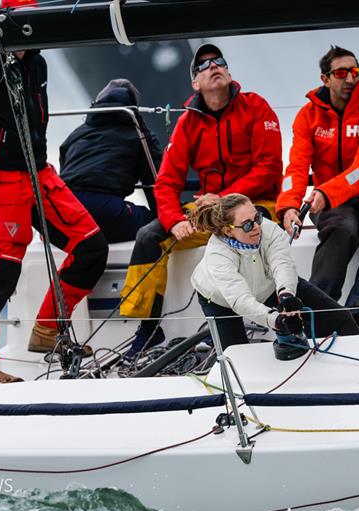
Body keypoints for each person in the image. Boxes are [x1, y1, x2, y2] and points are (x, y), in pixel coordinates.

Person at [0, 15, 108, 382]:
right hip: (0, 179)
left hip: (39, 173)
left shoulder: (37, 64)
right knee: (3, 269)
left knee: (91, 246)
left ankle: (47, 328)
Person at [119, 43, 283, 358]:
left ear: (229, 72)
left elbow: (269, 168)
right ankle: (149, 328)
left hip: (255, 203)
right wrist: (174, 220)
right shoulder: (188, 122)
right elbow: (166, 182)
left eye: (218, 61)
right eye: (203, 66)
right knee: (150, 235)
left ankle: (279, 318)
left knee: (254, 229)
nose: (213, 66)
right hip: (210, 212)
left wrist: (222, 198)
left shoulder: (256, 107)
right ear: (195, 83)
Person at [276, 46, 359, 325]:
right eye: (341, 72)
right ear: (325, 78)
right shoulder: (307, 116)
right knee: (340, 229)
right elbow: (297, 165)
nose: (350, 79)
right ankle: (316, 313)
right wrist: (288, 206)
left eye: (355, 72)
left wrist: (326, 191)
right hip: (334, 204)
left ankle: (358, 313)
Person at [190, 194, 359, 352]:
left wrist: (286, 294)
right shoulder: (217, 255)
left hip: (267, 284)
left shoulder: (268, 229)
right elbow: (240, 300)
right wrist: (276, 320)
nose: (257, 227)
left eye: (257, 217)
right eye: (248, 225)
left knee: (339, 318)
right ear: (228, 231)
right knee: (236, 355)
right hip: (221, 300)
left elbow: (282, 264)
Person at [59, 79, 162, 243]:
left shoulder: (75, 135)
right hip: (105, 209)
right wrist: (166, 218)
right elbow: (155, 182)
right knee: (154, 222)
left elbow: (64, 175)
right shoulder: (140, 135)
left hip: (65, 209)